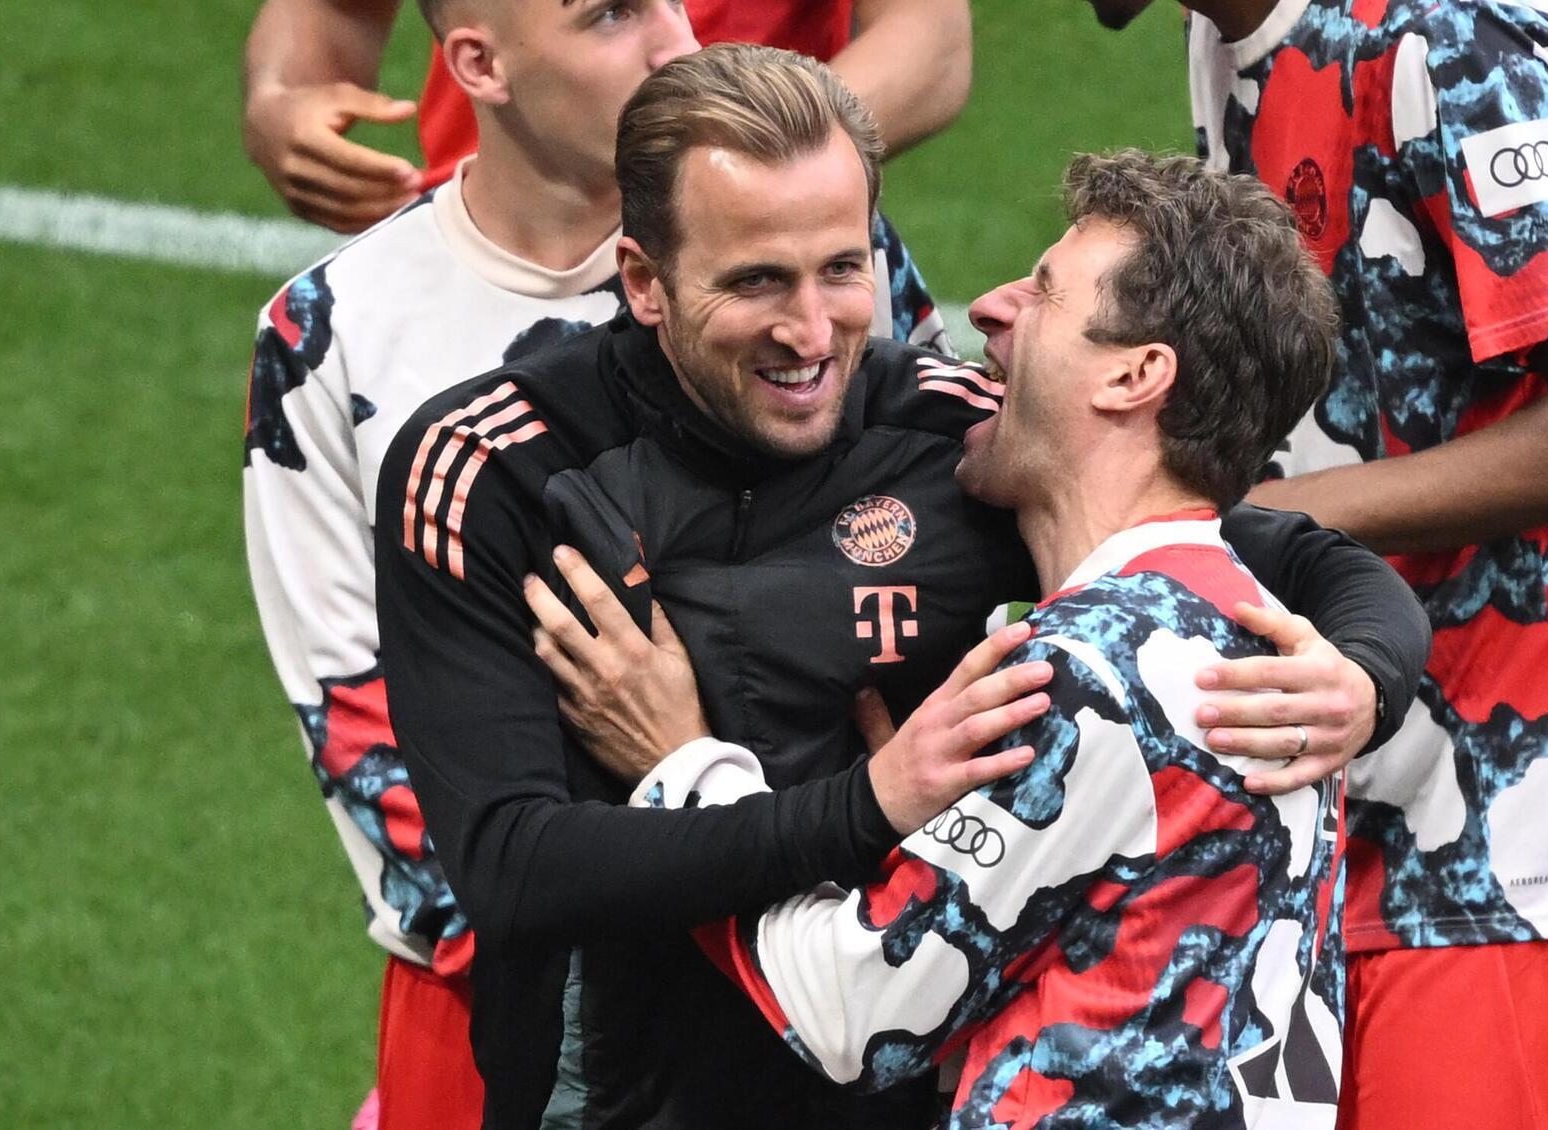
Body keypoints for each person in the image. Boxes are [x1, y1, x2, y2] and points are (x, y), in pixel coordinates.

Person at [374, 44, 1428, 1128]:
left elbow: (1268, 544)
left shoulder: (949, 431)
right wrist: (858, 806)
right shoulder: (496, 467)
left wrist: (1362, 673)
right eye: (755, 280)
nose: (810, 330)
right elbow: (513, 866)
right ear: (643, 279)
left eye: (841, 268)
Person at [241, 5, 956, 1128]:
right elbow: (350, 708)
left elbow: (944, 536)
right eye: (612, 14)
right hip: (503, 978)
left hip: (835, 945)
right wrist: (550, 937)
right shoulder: (336, 328)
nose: (674, 40)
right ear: (476, 63)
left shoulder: (802, 271)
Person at [537, 149, 1353, 1128]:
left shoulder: (1086, 672)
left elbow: (850, 1013)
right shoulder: (1252, 635)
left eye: (1044, 293)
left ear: (1134, 375)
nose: (995, 310)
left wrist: (681, 764)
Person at [1082, 2, 1548, 1127]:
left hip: (1510, 846)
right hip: (1344, 798)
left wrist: (1247, 524)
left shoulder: (1453, 34)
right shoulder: (1227, 33)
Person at [241, 0, 973, 231]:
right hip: (490, 248)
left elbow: (928, 46)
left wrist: (730, 167)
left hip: (741, 260)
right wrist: (283, 100)